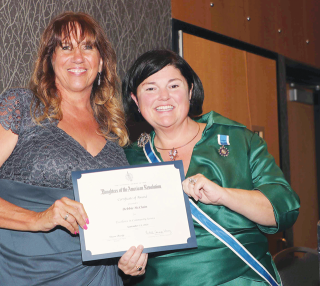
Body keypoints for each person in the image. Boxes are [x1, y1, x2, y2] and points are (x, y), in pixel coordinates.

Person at [0, 12, 147, 285]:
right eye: (66, 47)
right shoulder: (20, 106)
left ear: (101, 63)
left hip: (95, 275)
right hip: (20, 272)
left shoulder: (113, 133)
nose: (78, 57)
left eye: (88, 47)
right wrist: (37, 218)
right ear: (50, 60)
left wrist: (126, 260)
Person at [122, 49, 300, 285]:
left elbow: (285, 208)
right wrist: (124, 264)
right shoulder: (127, 160)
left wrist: (224, 195)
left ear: (190, 91)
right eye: (150, 88)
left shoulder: (239, 140)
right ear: (135, 99)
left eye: (174, 86)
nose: (163, 96)